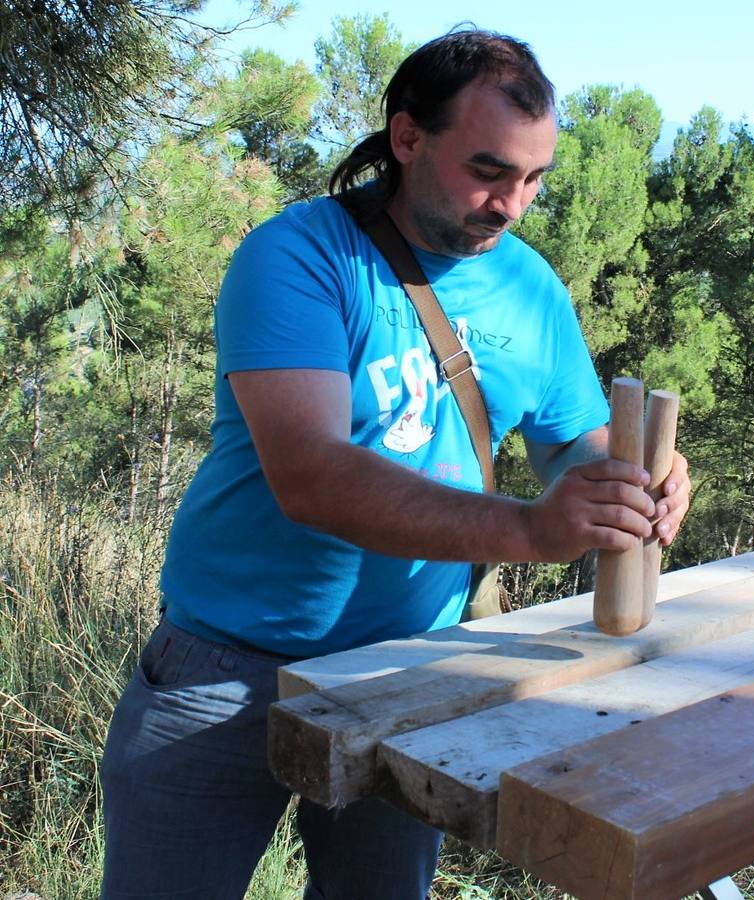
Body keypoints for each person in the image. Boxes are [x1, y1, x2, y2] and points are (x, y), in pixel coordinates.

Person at [98, 27, 690, 899]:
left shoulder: (528, 285)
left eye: (533, 179)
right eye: (488, 172)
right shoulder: (298, 257)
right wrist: (533, 527)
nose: (512, 204)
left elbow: (571, 444)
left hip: (414, 674)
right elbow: (311, 474)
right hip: (229, 674)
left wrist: (629, 483)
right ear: (407, 138)